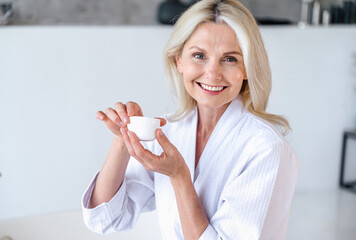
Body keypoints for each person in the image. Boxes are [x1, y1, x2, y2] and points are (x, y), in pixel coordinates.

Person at [81, 0, 300, 239]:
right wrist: (122, 139)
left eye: (230, 59)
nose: (212, 73)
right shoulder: (170, 130)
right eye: (199, 55)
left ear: (247, 68)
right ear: (179, 61)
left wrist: (179, 176)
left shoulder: (265, 149)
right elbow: (106, 220)